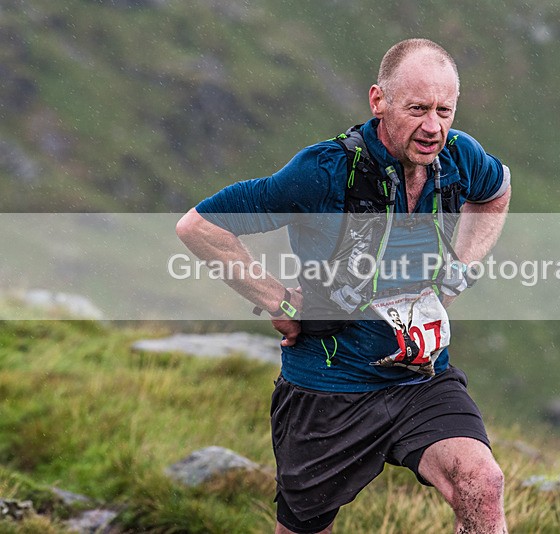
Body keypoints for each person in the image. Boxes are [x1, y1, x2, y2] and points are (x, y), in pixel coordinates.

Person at [176, 38, 511, 534]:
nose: (433, 127)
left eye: (445, 110)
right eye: (418, 109)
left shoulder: (461, 156)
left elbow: (496, 192)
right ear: (379, 101)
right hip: (329, 388)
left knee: (482, 483)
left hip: (420, 378)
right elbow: (201, 226)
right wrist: (277, 299)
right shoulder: (323, 172)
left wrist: (460, 268)